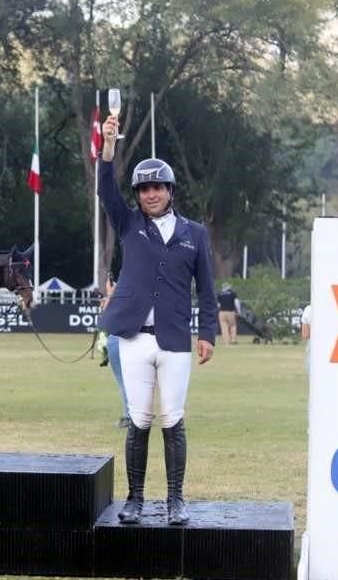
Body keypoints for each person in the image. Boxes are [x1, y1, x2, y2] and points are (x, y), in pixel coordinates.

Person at [97, 114, 218, 526]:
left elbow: (207, 286)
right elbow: (105, 188)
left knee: (173, 418)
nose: (151, 194)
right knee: (138, 418)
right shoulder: (129, 223)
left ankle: (176, 500)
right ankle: (134, 499)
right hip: (133, 337)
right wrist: (108, 149)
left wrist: (209, 334)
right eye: (144, 188)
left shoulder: (194, 233)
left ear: (170, 190)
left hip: (174, 338)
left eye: (158, 187)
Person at [98, 276, 130, 428]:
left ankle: (128, 416)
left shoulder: (117, 296)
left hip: (117, 338)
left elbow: (105, 319)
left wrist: (110, 294)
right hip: (132, 338)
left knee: (123, 380)